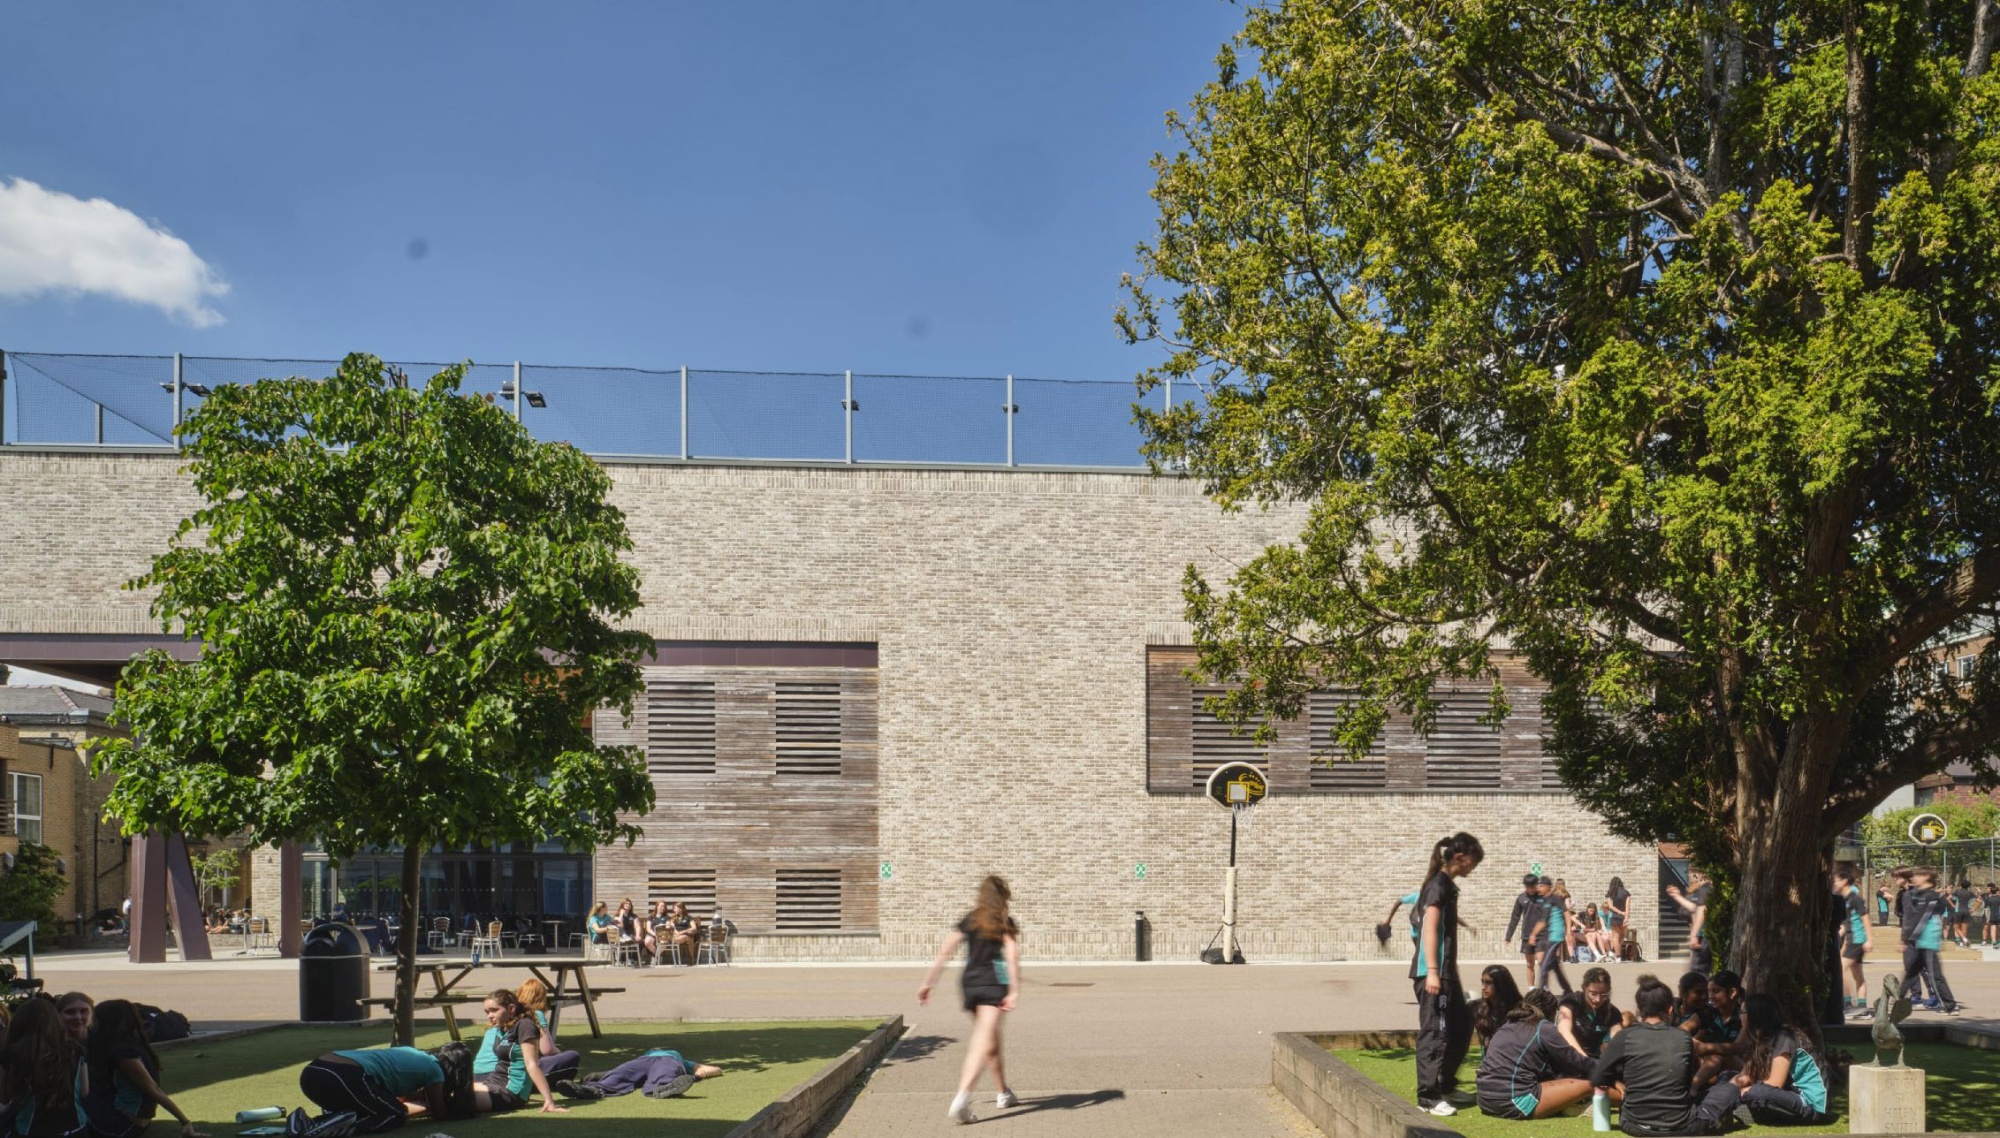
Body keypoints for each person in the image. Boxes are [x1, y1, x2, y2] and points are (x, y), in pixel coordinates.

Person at [918, 875, 1022, 1125]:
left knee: (990, 1039)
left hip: (970, 985)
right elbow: (1011, 955)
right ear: (1003, 897)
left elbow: (946, 950)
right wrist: (1015, 990)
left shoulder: (971, 918)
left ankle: (1003, 1093)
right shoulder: (1004, 922)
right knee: (981, 1041)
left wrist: (928, 982)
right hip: (993, 986)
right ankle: (961, 1099)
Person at [1593, 975, 1741, 1136]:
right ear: (1670, 1009)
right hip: (1682, 1126)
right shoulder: (1683, 1038)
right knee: (1730, 1089)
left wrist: (1623, 1086)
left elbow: (1598, 1078)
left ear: (1639, 1009)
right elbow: (1685, 1084)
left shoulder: (1624, 1036)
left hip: (1633, 1125)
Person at [1409, 832, 1483, 1117]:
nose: (1472, 869)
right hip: (1432, 974)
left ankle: (1445, 1083)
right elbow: (1429, 927)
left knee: (1462, 1025)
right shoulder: (1438, 885)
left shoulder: (1446, 885)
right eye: (1472, 863)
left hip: (1446, 974)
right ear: (1460, 858)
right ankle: (1427, 1097)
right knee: (1435, 1032)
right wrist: (1433, 972)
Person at [82, 1000, 204, 1138]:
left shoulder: (123, 1052)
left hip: (125, 1124)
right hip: (130, 1118)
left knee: (81, 1092)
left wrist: (185, 1122)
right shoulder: (132, 1043)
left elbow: (153, 1089)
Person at [1474, 988, 1594, 1119]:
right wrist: (1605, 1069)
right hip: (1511, 1102)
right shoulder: (1543, 1027)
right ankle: (1618, 1098)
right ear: (1551, 1012)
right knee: (1590, 1085)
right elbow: (1574, 1060)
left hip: (1484, 1099)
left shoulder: (1507, 1025)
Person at [289, 1047, 445, 1137]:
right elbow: (439, 1111)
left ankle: (303, 1121)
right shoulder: (435, 1068)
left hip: (312, 1073)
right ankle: (335, 1125)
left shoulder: (411, 1053)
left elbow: (388, 1099)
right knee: (397, 1114)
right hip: (343, 1075)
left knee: (380, 1108)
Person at [1726, 995, 1830, 1126]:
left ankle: (1745, 1111)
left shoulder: (1784, 1036)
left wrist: (1741, 1093)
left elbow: (1774, 1083)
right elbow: (1744, 1077)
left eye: (1742, 1012)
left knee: (1758, 1092)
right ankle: (1747, 1112)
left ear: (1754, 1015)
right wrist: (1725, 1093)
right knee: (1727, 1078)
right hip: (1787, 1097)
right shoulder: (1760, 1039)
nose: (1739, 1015)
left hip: (1811, 1104)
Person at [0, 997, 87, 1138]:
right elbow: (84, 1091)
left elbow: (4, 1097)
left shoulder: (10, 1054)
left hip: (31, 1129)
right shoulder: (74, 1050)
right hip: (75, 1128)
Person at [470, 990, 565, 1114]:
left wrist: (549, 1100)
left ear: (511, 1008)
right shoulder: (502, 1027)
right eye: (487, 1012)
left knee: (461, 1099)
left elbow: (532, 1064)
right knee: (455, 1091)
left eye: (494, 1010)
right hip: (492, 1082)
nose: (489, 1016)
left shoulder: (525, 1026)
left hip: (511, 1092)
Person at [552, 1050, 722, 1101]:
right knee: (617, 1077)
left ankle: (665, 1088)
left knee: (663, 1077)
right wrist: (596, 1075)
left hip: (667, 1061)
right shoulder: (646, 1054)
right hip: (641, 1061)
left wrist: (702, 1073)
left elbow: (717, 1069)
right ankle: (588, 1090)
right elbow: (620, 1071)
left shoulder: (678, 1057)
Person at [1900, 868, 1958, 1014]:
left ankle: (1950, 1005)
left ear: (1926, 877)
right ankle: (1896, 1000)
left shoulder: (1932, 896)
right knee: (1910, 973)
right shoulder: (1918, 894)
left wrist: (1908, 938)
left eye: (1918, 875)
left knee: (1935, 975)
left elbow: (1923, 917)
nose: (1914, 877)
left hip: (1928, 941)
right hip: (1918, 941)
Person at [513, 981, 580, 1084]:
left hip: (509, 1068)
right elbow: (547, 1050)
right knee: (572, 1055)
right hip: (529, 1067)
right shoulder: (536, 1014)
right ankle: (557, 1083)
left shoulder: (511, 1014)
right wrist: (560, 1054)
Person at [1557, 967, 1629, 1059]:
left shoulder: (1613, 1012)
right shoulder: (1571, 1002)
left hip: (1596, 1060)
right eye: (1593, 994)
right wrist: (1584, 1059)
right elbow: (1564, 1031)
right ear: (1584, 988)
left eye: (1603, 994)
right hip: (1570, 1056)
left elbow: (1616, 1037)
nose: (1598, 999)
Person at [1833, 866, 1871, 1020]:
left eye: (1836, 880)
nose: (1834, 883)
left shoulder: (1855, 898)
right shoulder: (1844, 899)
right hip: (1850, 939)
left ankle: (1848, 1004)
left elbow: (1865, 918)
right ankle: (1862, 1007)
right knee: (1857, 974)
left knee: (1840, 969)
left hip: (1857, 939)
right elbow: (1846, 923)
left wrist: (1869, 939)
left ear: (1844, 881)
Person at [1531, 877, 1573, 995]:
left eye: (1541, 886)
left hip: (1556, 935)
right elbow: (1543, 922)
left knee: (1544, 965)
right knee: (1554, 966)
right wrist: (1533, 934)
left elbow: (1566, 913)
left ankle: (1541, 992)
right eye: (1538, 886)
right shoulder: (1545, 901)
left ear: (1548, 887)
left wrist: (1568, 932)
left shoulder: (1556, 899)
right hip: (1551, 935)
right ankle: (1568, 990)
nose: (1538, 888)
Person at [1664, 870, 1712, 974]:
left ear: (1699, 874)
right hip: (1703, 934)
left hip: (1704, 934)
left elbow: (1701, 910)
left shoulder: (1705, 889)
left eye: (1690, 873)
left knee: (1699, 970)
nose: (1689, 876)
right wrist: (1676, 896)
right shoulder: (1699, 891)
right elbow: (1693, 908)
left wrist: (1694, 934)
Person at [1471, 965, 1524, 1048]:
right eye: (1482, 982)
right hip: (1488, 1058)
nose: (1483, 987)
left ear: (1501, 984)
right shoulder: (1477, 1008)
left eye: (1488, 983)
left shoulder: (1519, 1009)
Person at [1504, 873, 1542, 980]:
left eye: (1532, 886)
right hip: (1527, 935)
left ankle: (1544, 988)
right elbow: (1515, 917)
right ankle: (1531, 989)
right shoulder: (1521, 898)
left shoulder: (1542, 897)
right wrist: (1508, 936)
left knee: (1542, 962)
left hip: (1541, 935)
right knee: (1530, 965)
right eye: (1528, 887)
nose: (1530, 889)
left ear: (1536, 885)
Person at [1604, 877, 1631, 957]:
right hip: (1624, 917)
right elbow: (1627, 907)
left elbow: (1610, 906)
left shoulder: (1610, 892)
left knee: (1615, 937)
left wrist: (1619, 912)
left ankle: (1617, 956)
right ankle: (1615, 952)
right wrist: (1626, 917)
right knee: (1622, 935)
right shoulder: (1626, 893)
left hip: (1615, 916)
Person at [1950, 878, 1976, 948]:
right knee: (1964, 928)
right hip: (1967, 910)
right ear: (1968, 886)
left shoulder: (1957, 891)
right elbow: (1979, 900)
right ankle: (1964, 943)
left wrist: (1953, 905)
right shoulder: (1969, 893)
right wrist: (1973, 909)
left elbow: (1950, 898)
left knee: (1955, 926)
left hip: (1959, 910)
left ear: (1961, 885)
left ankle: (1964, 939)